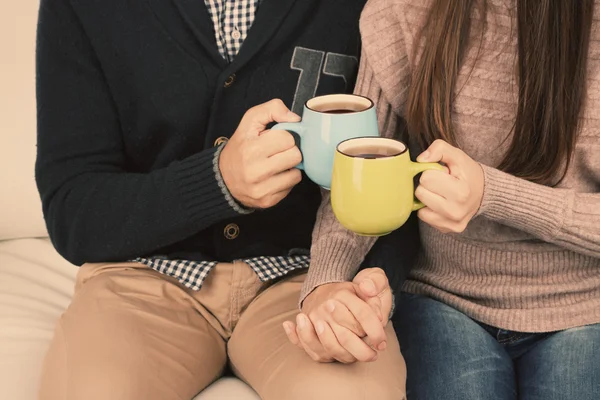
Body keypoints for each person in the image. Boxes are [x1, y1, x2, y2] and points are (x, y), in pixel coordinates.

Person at [34, 0, 407, 399]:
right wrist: (218, 183)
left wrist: (365, 284)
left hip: (310, 280)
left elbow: (403, 164)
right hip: (140, 278)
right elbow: (72, 210)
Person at [299, 0, 600, 399]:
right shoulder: (403, 10)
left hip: (585, 306)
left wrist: (493, 195)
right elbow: (358, 175)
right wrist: (325, 284)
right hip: (441, 298)